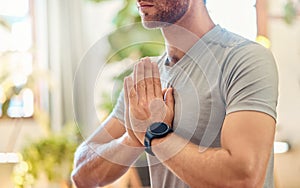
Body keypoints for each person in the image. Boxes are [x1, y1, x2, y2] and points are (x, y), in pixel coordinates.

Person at [71, 0, 278, 187]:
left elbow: (243, 179)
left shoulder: (244, 59)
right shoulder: (147, 77)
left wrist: (155, 135)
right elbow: (82, 174)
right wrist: (134, 137)